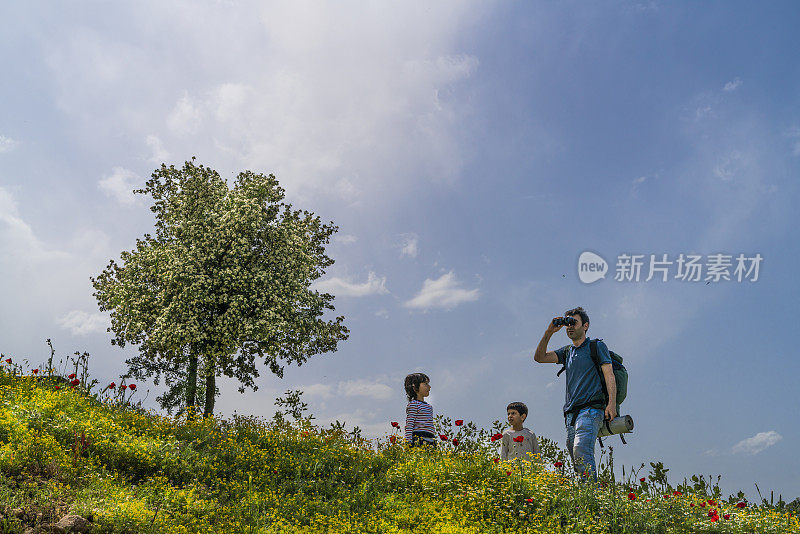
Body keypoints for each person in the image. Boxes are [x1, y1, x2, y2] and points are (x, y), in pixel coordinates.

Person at [533, 307, 616, 480]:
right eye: (566, 323)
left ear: (585, 325)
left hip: (592, 408)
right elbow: (539, 357)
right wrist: (549, 332)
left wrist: (612, 404)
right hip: (571, 413)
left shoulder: (596, 346)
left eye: (573, 322)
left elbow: (609, 374)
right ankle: (586, 497)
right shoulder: (567, 352)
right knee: (575, 455)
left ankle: (592, 498)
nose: (569, 326)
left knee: (581, 450)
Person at [404, 372, 436, 447]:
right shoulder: (414, 404)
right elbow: (409, 424)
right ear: (415, 387)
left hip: (431, 438)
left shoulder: (429, 406)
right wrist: (408, 442)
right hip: (418, 439)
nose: (429, 387)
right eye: (425, 384)